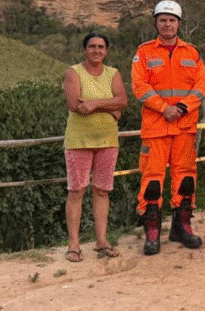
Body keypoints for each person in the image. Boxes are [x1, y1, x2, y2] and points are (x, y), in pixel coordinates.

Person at [130, 0, 205, 255]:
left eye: (172, 20)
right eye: (162, 19)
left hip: (185, 127)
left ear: (179, 24)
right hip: (156, 127)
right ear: (155, 22)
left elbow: (201, 87)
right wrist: (165, 109)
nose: (167, 24)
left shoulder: (193, 53)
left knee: (185, 179)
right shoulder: (143, 53)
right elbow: (139, 87)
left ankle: (181, 226)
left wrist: (183, 107)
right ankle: (152, 232)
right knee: (152, 181)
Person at [63, 32, 128, 262]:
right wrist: (110, 108)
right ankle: (74, 245)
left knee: (102, 190)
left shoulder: (113, 74)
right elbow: (74, 104)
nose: (97, 50)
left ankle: (101, 241)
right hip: (79, 141)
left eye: (101, 46)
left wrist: (95, 103)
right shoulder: (73, 72)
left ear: (107, 51)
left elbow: (123, 101)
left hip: (107, 141)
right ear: (85, 50)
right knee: (77, 191)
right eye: (92, 46)